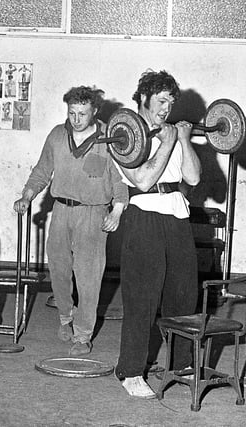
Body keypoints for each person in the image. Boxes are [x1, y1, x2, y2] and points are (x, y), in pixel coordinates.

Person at [13, 86, 128, 356]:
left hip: (93, 213)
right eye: (72, 113)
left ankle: (83, 335)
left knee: (88, 278)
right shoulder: (57, 135)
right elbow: (42, 170)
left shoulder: (109, 140)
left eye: (82, 113)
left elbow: (120, 180)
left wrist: (117, 211)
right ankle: (66, 317)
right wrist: (27, 196)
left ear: (95, 111)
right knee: (60, 271)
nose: (76, 119)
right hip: (62, 210)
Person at [114, 70, 201, 399]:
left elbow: (191, 178)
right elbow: (143, 181)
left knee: (182, 295)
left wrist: (184, 141)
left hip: (177, 214)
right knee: (142, 298)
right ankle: (131, 371)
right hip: (144, 214)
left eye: (171, 102)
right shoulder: (124, 133)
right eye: (161, 101)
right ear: (143, 99)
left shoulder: (172, 132)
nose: (167, 108)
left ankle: (180, 365)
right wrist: (166, 142)